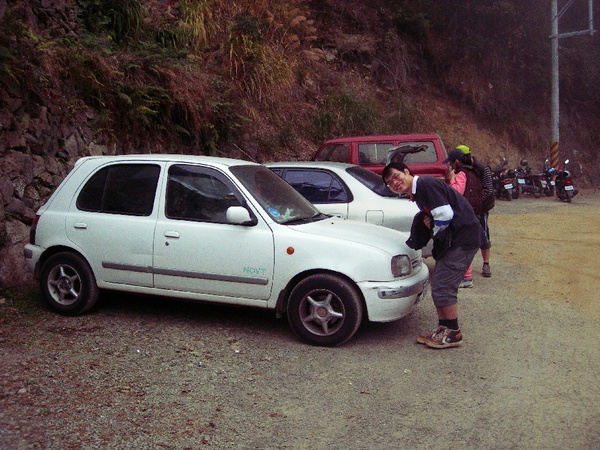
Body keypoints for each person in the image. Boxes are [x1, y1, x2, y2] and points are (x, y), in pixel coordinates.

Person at [382, 162, 485, 349]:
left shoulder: (426, 185)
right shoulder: (418, 191)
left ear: (407, 172)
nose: (395, 183)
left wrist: (434, 230)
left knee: (444, 286)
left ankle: (453, 333)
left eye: (397, 177)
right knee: (439, 285)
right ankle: (443, 328)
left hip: (462, 240)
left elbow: (444, 215)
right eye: (390, 183)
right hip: (456, 239)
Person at [456, 145, 494, 278]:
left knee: (483, 234)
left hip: (482, 207)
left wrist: (476, 202)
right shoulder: (462, 170)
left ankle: (486, 263)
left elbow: (488, 190)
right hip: (470, 207)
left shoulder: (483, 168)